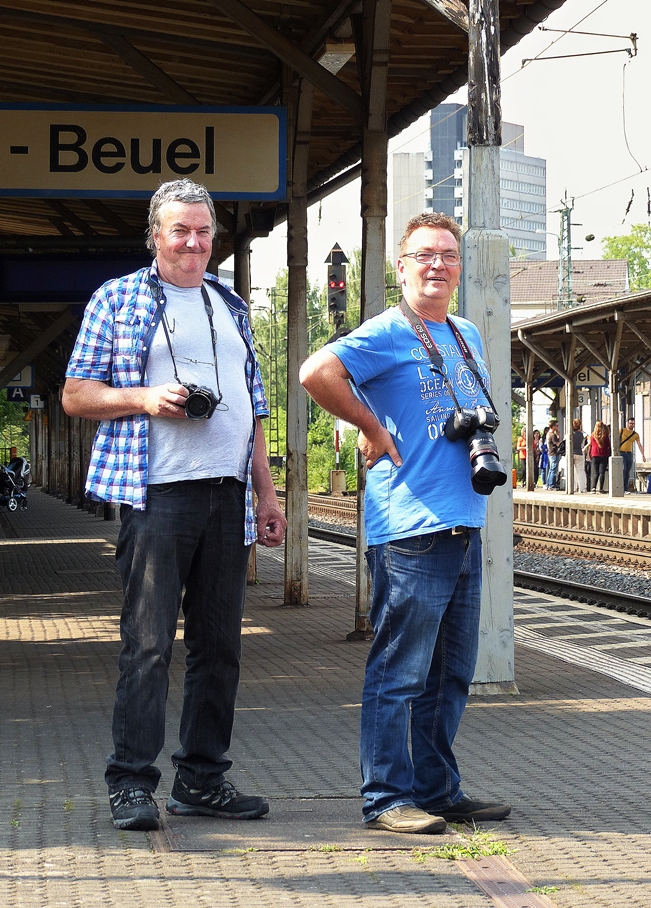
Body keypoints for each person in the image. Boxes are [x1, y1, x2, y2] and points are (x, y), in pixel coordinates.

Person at [62, 179, 286, 832]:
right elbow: (75, 394)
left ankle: (202, 780)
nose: (193, 242)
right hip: (158, 494)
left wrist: (266, 492)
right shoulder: (118, 298)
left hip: (228, 496)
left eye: (203, 231)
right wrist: (144, 398)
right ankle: (132, 783)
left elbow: (253, 407)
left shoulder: (231, 304)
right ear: (155, 236)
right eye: (180, 230)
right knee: (149, 645)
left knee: (220, 649)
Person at [299, 212, 511, 835]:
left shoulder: (466, 334)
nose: (437, 265)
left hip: (463, 521)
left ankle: (437, 790)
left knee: (451, 674)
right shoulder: (388, 331)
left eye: (448, 255)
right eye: (424, 255)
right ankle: (386, 798)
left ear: (459, 268)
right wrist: (370, 426)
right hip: (410, 528)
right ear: (401, 267)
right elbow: (316, 372)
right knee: (400, 672)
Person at [620, 417, 645, 494]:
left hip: (629, 454)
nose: (631, 425)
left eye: (633, 424)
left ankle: (625, 489)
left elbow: (639, 444)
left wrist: (643, 455)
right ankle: (620, 487)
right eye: (630, 423)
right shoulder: (622, 431)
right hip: (621, 453)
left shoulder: (635, 434)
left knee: (627, 471)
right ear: (627, 423)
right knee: (623, 469)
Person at [588, 420, 611, 493]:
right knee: (602, 472)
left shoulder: (592, 435)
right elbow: (608, 445)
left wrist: (589, 454)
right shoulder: (605, 435)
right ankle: (601, 488)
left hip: (595, 454)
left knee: (596, 472)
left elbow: (590, 445)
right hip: (604, 455)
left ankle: (593, 487)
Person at [572, 418, 587, 493]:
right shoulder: (581, 434)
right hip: (579, 453)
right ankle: (582, 488)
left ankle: (573, 487)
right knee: (580, 471)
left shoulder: (570, 434)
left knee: (571, 471)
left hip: (571, 453)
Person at [545, 419, 561, 490]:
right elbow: (557, 444)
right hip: (554, 453)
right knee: (553, 469)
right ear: (553, 426)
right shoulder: (553, 435)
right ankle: (552, 485)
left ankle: (548, 484)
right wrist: (558, 436)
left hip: (550, 453)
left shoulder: (548, 434)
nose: (557, 427)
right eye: (557, 425)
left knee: (551, 469)